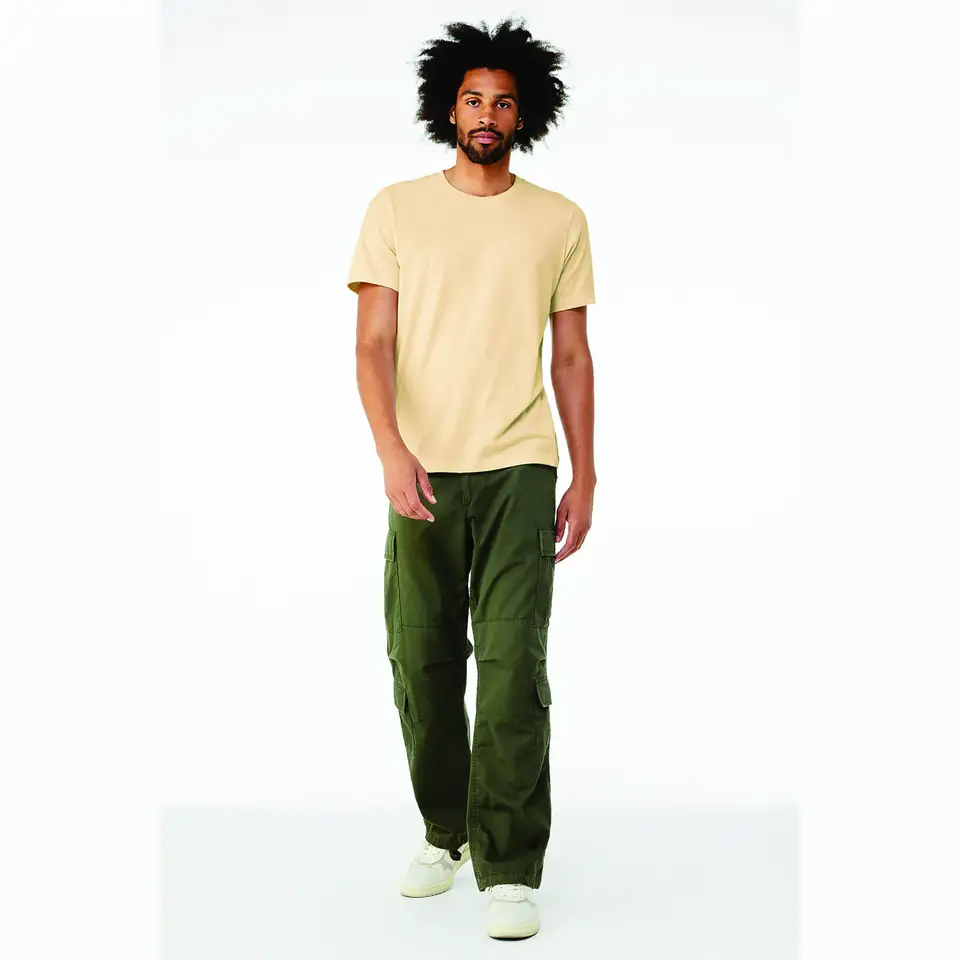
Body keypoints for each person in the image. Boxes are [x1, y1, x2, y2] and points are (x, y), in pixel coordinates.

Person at [345, 16, 596, 941]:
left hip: (521, 465)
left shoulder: (559, 219)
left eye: (504, 102)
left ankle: (511, 863)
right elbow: (373, 344)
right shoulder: (396, 209)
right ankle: (445, 831)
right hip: (421, 468)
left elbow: (571, 356)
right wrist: (390, 449)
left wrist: (586, 474)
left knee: (512, 663)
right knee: (421, 659)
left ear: (525, 115)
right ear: (449, 110)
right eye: (473, 99)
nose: (487, 114)